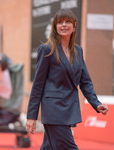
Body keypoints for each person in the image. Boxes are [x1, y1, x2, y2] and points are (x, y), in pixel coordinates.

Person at [26, 9, 109, 150]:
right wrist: (31, 116)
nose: (63, 25)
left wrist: (96, 103)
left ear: (74, 26)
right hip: (54, 110)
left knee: (49, 147)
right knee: (69, 147)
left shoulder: (78, 51)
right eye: (60, 22)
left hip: (70, 108)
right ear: (55, 26)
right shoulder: (47, 49)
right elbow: (38, 85)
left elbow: (85, 82)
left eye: (67, 22)